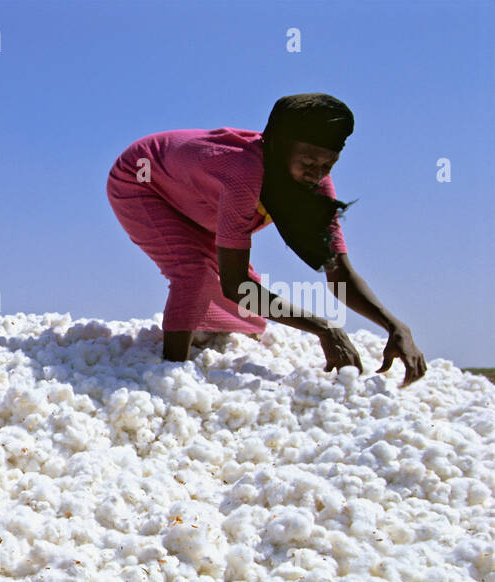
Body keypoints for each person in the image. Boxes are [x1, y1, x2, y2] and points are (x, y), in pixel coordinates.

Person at [106, 93, 426, 385]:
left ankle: (193, 350)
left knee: (248, 319)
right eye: (308, 163)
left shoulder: (317, 184)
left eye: (327, 165)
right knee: (196, 272)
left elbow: (340, 272)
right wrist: (323, 327)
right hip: (141, 179)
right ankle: (169, 374)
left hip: (197, 198)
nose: (317, 175)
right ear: (279, 148)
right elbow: (236, 284)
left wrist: (395, 326)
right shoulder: (242, 172)